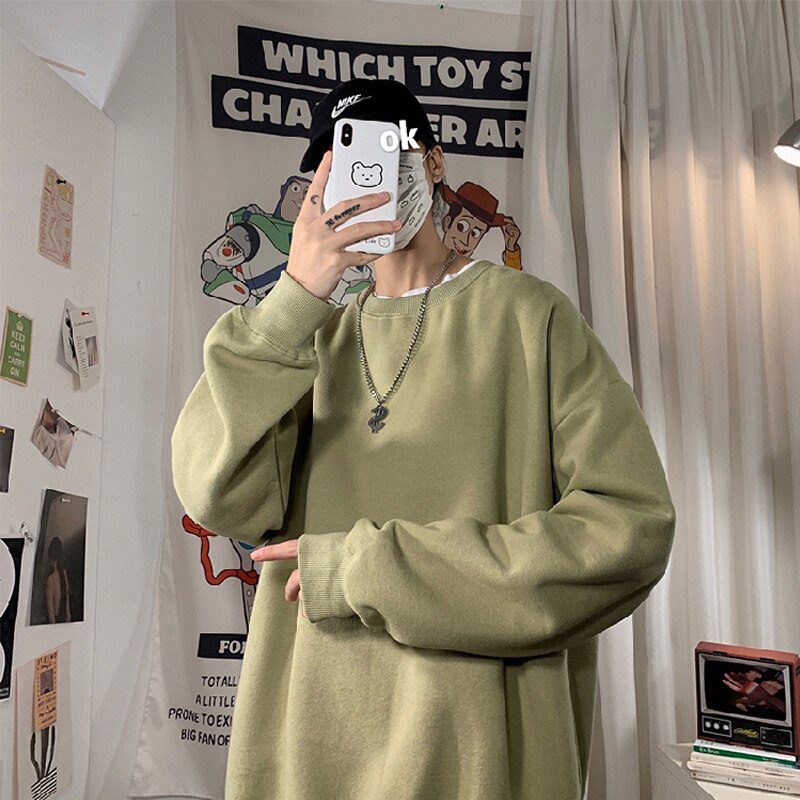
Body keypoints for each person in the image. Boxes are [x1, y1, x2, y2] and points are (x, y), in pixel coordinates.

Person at [171, 77, 677, 800]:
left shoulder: (528, 316)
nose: (363, 177)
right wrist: (295, 299)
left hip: (477, 753)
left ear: (434, 161)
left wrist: (368, 569)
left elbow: (630, 529)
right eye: (338, 166)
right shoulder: (304, 340)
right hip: (310, 747)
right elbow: (215, 494)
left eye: (383, 150)